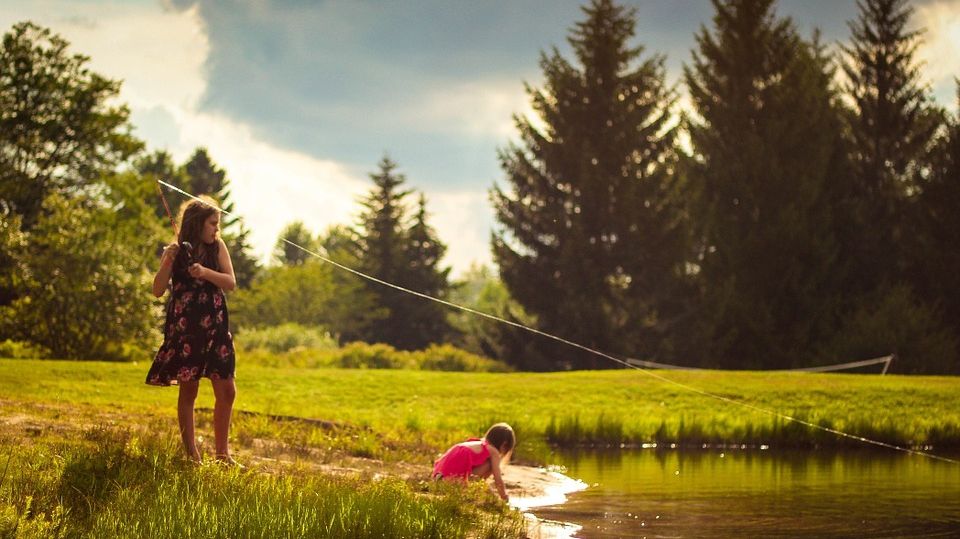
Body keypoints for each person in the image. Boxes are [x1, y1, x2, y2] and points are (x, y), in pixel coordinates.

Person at [146, 195, 239, 466]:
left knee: (227, 391)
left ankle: (223, 455)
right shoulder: (176, 250)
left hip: (216, 328)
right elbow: (157, 290)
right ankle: (192, 455)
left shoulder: (217, 247)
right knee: (189, 391)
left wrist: (204, 273)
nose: (216, 230)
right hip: (187, 330)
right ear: (198, 224)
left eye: (218, 224)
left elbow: (230, 282)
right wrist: (167, 261)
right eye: (213, 224)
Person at [432, 422, 515, 502]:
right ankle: (475, 489)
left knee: (485, 467)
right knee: (490, 465)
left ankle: (476, 488)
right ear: (504, 444)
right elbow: (498, 480)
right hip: (452, 482)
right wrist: (504, 497)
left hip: (439, 479)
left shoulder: (477, 444)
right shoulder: (493, 451)